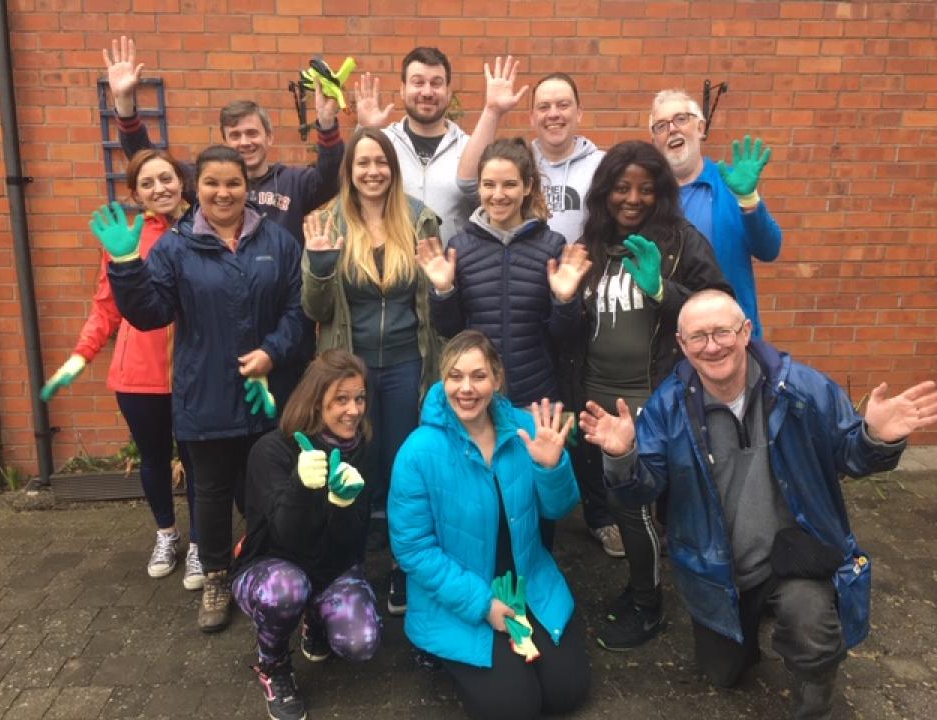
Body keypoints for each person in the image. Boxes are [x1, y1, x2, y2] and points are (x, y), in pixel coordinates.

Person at [581, 288, 937, 720]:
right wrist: (621, 457)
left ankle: (815, 698)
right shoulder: (667, 406)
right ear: (681, 345)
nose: (712, 346)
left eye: (722, 332)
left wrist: (875, 437)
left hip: (793, 555)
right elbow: (643, 489)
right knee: (722, 673)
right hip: (719, 565)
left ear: (746, 331)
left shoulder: (803, 387)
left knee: (812, 628)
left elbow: (851, 457)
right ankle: (747, 626)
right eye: (698, 337)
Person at [98, 145, 308, 633]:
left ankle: (269, 562)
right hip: (205, 393)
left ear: (246, 188)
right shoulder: (176, 247)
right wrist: (128, 265)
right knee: (211, 492)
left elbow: (298, 313)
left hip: (269, 392)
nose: (223, 192)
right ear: (200, 188)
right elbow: (149, 314)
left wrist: (272, 352)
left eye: (233, 183)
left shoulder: (278, 242)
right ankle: (216, 575)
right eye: (212, 183)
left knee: (269, 487)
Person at [567, 140, 731, 649]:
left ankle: (647, 604)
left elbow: (718, 307)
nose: (632, 199)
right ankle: (650, 587)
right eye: (621, 187)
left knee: (637, 503)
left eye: (645, 188)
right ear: (604, 192)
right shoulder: (590, 241)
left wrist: (663, 288)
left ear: (660, 193)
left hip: (651, 398)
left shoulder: (680, 241)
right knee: (621, 504)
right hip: (595, 396)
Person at [389, 330, 590, 720]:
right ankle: (442, 655)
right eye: (455, 376)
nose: (467, 388)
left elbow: (560, 508)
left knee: (568, 693)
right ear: (442, 380)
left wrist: (551, 467)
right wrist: (482, 605)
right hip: (462, 596)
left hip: (528, 582)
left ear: (497, 379)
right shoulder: (418, 452)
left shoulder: (524, 428)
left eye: (478, 376)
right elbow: (412, 549)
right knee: (516, 707)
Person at [40, 149, 201, 590]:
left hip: (193, 371)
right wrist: (80, 355)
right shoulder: (126, 236)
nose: (159, 189)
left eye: (165, 178)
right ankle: (167, 534)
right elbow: (105, 306)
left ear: (181, 180)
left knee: (199, 461)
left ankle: (203, 543)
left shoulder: (201, 227)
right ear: (136, 194)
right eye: (147, 184)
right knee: (153, 459)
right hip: (140, 375)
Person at [301, 127, 441, 613]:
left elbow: (433, 299)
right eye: (362, 163)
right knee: (356, 463)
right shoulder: (327, 222)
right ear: (349, 170)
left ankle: (404, 567)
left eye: (380, 162)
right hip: (350, 367)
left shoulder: (420, 220)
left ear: (393, 167)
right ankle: (350, 564)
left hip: (408, 363)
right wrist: (320, 266)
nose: (372, 171)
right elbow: (314, 308)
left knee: (403, 465)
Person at [233, 349, 379, 720]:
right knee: (287, 589)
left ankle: (316, 618)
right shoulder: (271, 451)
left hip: (332, 566)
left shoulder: (361, 450)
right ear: (316, 403)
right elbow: (287, 534)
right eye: (341, 400)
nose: (354, 410)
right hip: (272, 565)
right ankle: (273, 665)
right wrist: (301, 487)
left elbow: (353, 542)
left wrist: (343, 504)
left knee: (361, 643)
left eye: (359, 398)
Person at [103, 36, 343, 245]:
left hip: (279, 293)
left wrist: (327, 122)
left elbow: (331, 173)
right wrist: (124, 103)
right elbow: (146, 158)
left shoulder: (294, 182)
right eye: (235, 135)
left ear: (269, 137)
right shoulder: (204, 181)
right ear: (225, 142)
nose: (245, 142)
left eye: (252, 133)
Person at [418, 138, 590, 408]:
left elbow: (564, 336)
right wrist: (443, 292)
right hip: (476, 398)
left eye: (509, 184)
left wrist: (565, 300)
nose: (498, 195)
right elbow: (449, 330)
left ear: (528, 186)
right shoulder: (459, 248)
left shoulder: (552, 246)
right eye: (489, 185)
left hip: (535, 397)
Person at [650, 88, 781, 338]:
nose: (672, 129)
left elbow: (769, 249)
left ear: (700, 128)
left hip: (730, 335)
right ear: (655, 141)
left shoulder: (732, 186)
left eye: (681, 119)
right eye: (661, 126)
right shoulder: (648, 198)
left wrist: (749, 199)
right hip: (672, 338)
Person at [455, 70, 603, 245]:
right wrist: (492, 111)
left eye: (563, 105)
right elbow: (468, 183)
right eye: (544, 107)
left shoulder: (601, 165)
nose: (553, 114)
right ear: (532, 117)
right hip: (524, 268)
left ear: (579, 113)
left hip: (582, 270)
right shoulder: (518, 162)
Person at [354, 47, 476, 244]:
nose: (427, 92)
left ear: (448, 91)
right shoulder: (384, 144)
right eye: (418, 82)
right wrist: (365, 131)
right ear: (402, 90)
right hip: (391, 271)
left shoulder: (469, 149)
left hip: (452, 270)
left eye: (436, 83)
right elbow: (349, 191)